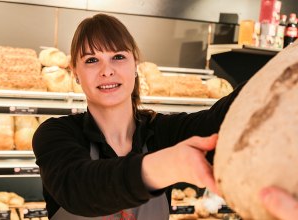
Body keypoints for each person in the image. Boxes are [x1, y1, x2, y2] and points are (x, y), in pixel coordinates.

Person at [32, 13, 243, 219]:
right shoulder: (55, 134)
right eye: (92, 60)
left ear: (135, 65)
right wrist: (169, 165)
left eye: (118, 57)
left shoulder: (162, 132)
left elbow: (222, 119)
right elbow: (79, 187)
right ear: (75, 73)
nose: (107, 70)